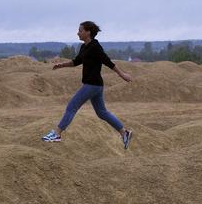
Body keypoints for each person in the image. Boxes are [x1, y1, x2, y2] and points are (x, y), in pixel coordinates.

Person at [42, 21, 134, 149]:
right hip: (95, 86)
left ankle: (57, 133)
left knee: (72, 106)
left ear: (88, 32)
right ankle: (124, 132)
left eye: (80, 30)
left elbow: (108, 62)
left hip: (92, 85)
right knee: (102, 112)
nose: (78, 33)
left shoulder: (95, 47)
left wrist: (122, 74)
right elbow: (76, 61)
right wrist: (61, 65)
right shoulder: (84, 47)